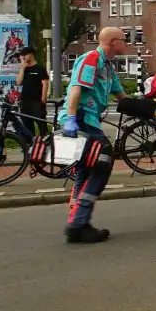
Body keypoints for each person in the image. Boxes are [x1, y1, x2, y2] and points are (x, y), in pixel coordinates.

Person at [59, 27, 130, 244]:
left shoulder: (108, 67)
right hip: (81, 119)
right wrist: (71, 120)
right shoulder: (91, 59)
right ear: (112, 41)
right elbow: (76, 89)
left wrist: (148, 109)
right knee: (103, 160)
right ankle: (78, 222)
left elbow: (122, 97)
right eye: (123, 39)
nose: (126, 43)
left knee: (85, 169)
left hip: (89, 120)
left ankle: (77, 221)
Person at [16, 47, 50, 139]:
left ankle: (46, 141)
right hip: (25, 101)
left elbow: (45, 83)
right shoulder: (25, 69)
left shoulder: (39, 68)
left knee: (41, 123)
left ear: (31, 54)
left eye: (25, 55)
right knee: (26, 123)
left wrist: (43, 99)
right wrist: (22, 68)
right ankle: (30, 144)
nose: (24, 57)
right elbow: (18, 82)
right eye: (22, 55)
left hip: (36, 101)